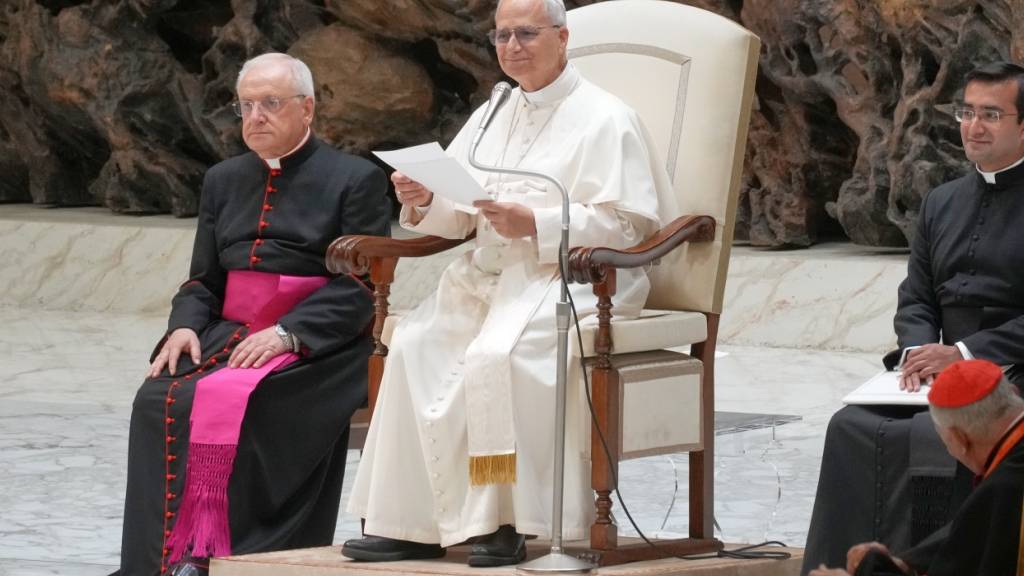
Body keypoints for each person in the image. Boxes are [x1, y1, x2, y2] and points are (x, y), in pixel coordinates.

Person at [341, 0, 675, 567]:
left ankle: (504, 522)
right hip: (488, 275)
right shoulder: (494, 109)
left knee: (500, 357)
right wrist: (423, 198)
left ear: (563, 37)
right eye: (501, 35)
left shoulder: (606, 117)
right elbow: (460, 213)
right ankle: (411, 523)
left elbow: (630, 224)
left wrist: (539, 224)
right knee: (417, 347)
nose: (512, 46)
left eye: (526, 33)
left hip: (564, 277)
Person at [111, 53, 391, 576]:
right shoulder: (222, 178)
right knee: (157, 396)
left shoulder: (356, 179)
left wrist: (290, 334)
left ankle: (233, 556)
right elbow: (203, 279)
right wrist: (184, 326)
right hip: (230, 332)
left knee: (246, 400)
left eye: (271, 103)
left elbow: (362, 284)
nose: (255, 116)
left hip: (319, 343)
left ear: (306, 108)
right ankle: (159, 561)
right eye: (246, 106)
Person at [803, 61, 1024, 574]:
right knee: (851, 426)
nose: (974, 126)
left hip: (1012, 366)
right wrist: (918, 354)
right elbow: (917, 297)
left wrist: (965, 354)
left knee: (939, 433)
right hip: (940, 371)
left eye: (991, 114)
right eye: (967, 112)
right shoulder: (941, 202)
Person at [808, 359, 1024, 576]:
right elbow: (971, 535)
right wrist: (906, 562)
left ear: (960, 439)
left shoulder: (1004, 488)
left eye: (946, 443)